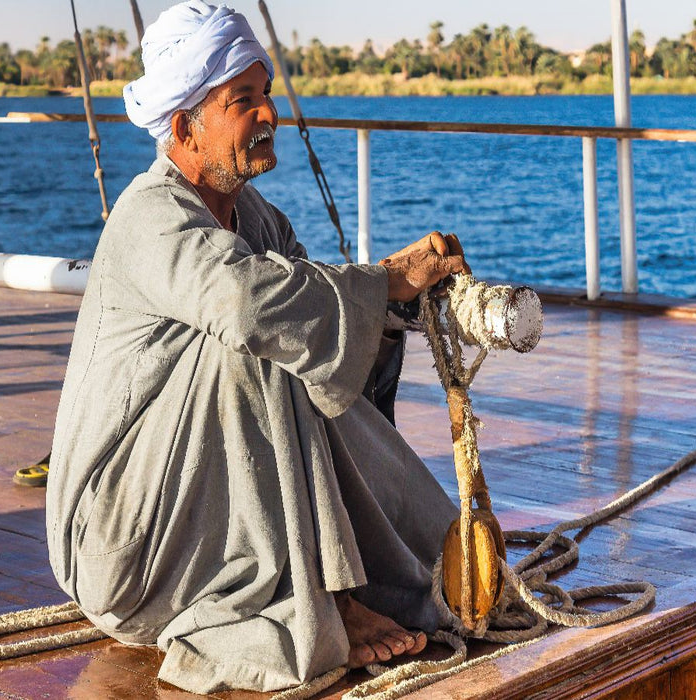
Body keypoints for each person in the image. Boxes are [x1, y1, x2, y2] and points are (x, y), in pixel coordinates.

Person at [46, 1, 466, 692]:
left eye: (266, 93)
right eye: (245, 100)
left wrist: (391, 308)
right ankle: (321, 598)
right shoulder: (149, 214)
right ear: (185, 126)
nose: (270, 113)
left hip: (198, 523)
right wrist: (382, 280)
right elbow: (245, 305)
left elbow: (336, 349)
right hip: (122, 548)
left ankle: (397, 563)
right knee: (252, 330)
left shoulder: (260, 220)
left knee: (298, 323)